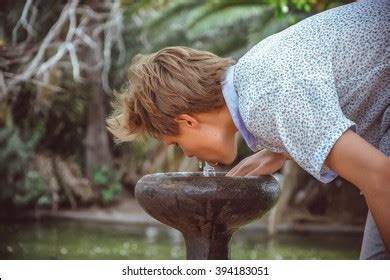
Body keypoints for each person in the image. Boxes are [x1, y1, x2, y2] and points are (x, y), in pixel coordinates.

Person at [107, 0, 390, 259]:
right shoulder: (255, 76)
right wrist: (281, 150)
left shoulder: (264, 99)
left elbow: (381, 180)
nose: (188, 154)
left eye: (177, 143)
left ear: (187, 121)